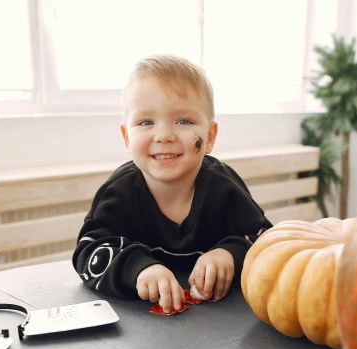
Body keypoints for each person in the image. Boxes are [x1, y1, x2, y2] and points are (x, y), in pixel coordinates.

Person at [72, 54, 272, 313]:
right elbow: (89, 252)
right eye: (146, 122)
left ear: (209, 137)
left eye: (184, 121)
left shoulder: (224, 188)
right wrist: (138, 269)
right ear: (126, 136)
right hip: (138, 332)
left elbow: (266, 243)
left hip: (223, 323)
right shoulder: (119, 192)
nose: (164, 135)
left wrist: (229, 255)